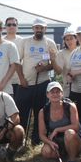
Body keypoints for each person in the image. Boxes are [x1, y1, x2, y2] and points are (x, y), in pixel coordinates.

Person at [16, 17, 58, 145]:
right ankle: (20, 140)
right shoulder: (25, 42)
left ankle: (36, 141)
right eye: (36, 28)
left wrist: (45, 67)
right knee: (22, 113)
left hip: (42, 83)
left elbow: (54, 64)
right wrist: (21, 79)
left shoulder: (50, 43)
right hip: (25, 84)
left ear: (45, 29)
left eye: (41, 28)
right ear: (33, 29)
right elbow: (17, 62)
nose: (39, 30)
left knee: (40, 113)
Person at [38, 82, 81, 162]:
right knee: (46, 151)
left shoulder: (70, 106)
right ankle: (63, 161)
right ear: (47, 94)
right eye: (52, 92)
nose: (55, 94)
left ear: (62, 94)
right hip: (57, 141)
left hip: (75, 139)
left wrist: (57, 130)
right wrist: (50, 142)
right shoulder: (43, 111)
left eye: (58, 92)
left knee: (69, 133)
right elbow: (41, 134)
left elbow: (75, 126)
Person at [3, 16, 26, 98]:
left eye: (14, 24)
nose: (11, 26)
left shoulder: (23, 41)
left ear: (17, 27)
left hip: (19, 80)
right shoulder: (1, 41)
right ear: (5, 27)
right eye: (9, 25)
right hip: (5, 81)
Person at [53, 29, 79, 96]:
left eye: (71, 38)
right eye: (67, 39)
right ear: (64, 41)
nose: (69, 41)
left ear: (76, 39)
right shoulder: (61, 53)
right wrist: (52, 60)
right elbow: (58, 72)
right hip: (68, 88)